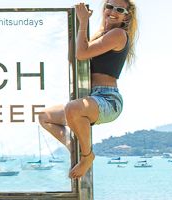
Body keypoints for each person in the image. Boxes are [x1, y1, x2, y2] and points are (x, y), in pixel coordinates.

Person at [38, 0, 137, 179]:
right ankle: (75, 149)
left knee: (72, 108)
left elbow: (82, 54)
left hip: (108, 100)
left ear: (126, 16)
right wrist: (77, 28)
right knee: (45, 117)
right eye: (109, 6)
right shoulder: (102, 35)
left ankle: (87, 155)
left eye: (119, 9)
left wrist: (83, 22)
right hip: (91, 98)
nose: (113, 11)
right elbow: (75, 60)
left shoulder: (118, 34)